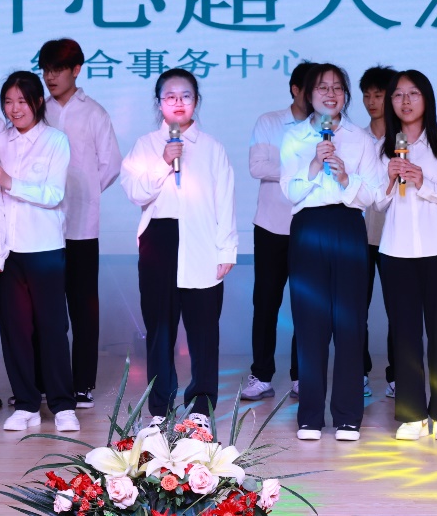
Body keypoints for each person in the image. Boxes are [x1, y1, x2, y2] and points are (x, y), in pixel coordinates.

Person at [120, 69, 237, 422]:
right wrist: (163, 161)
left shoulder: (212, 147)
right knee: (160, 331)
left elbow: (225, 201)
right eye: (170, 96)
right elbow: (135, 192)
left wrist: (226, 249)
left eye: (186, 95)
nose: (178, 102)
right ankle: (160, 407)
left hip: (202, 241)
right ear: (159, 103)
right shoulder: (146, 145)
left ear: (196, 101)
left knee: (204, 332)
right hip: (159, 240)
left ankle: (201, 407)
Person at [280, 63, 384, 442]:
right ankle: (310, 416)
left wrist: (344, 177)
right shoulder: (294, 136)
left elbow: (374, 195)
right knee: (310, 324)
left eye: (338, 88)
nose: (330, 93)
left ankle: (347, 416)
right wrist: (313, 164)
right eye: (323, 87)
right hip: (308, 228)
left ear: (345, 96)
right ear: (309, 94)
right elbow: (289, 191)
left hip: (348, 226)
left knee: (350, 322)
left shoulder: (360, 139)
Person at [0, 71, 79, 433]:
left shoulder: (55, 140)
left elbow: (53, 194)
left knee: (52, 328)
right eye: (8, 102)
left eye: (22, 101)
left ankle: (63, 404)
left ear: (38, 102)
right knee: (15, 331)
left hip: (44, 248)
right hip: (10, 252)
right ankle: (26, 404)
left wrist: (10, 181)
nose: (14, 108)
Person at [376, 69, 437, 442]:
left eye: (413, 93)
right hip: (395, 253)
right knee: (404, 335)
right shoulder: (382, 148)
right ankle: (412, 415)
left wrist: (422, 182)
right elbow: (375, 202)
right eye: (398, 95)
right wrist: (389, 178)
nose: (406, 101)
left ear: (426, 99)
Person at [39, 38, 122, 409]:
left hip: (81, 227)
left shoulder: (94, 113)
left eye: (58, 69)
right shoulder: (38, 109)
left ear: (76, 70)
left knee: (83, 307)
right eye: (46, 69)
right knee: (46, 309)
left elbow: (111, 163)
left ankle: (83, 383)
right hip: (42, 227)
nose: (50, 76)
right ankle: (47, 381)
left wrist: (85, 193)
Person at [240, 60, 314, 402]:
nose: (319, 95)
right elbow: (258, 167)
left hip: (308, 224)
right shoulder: (269, 122)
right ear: (295, 90)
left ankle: (302, 375)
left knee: (306, 305)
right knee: (266, 303)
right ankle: (261, 376)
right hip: (271, 225)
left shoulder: (326, 127)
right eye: (312, 88)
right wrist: (303, 167)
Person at [358, 64, 398, 400]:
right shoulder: (355, 139)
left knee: (398, 308)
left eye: (379, 95)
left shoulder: (403, 140)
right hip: (359, 235)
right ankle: (359, 373)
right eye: (367, 95)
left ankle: (398, 375)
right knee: (357, 308)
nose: (372, 101)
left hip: (396, 235)